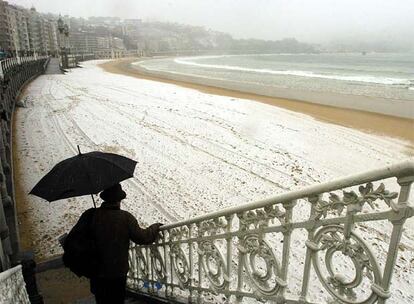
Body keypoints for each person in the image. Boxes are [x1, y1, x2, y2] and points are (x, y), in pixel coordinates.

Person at [83, 183, 162, 303]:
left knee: (101, 300)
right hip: (117, 272)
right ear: (119, 200)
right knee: (117, 300)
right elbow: (143, 238)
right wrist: (155, 227)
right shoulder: (125, 218)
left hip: (96, 271)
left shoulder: (91, 216)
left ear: (105, 199)